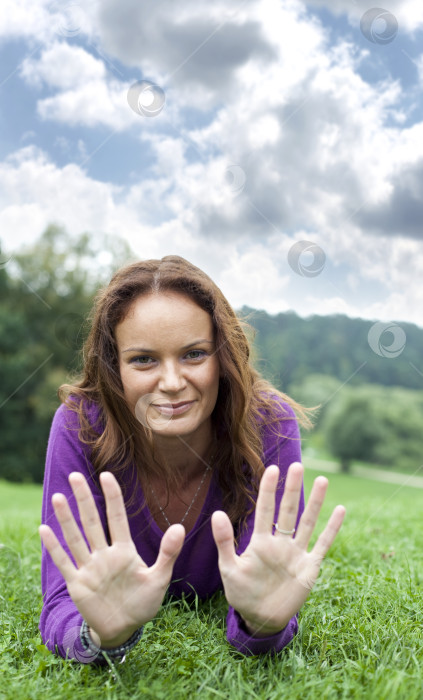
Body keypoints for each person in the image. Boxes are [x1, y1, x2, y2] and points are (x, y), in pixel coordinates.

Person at [38, 255, 345, 664]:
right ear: (115, 369)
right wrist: (99, 635)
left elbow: (266, 595)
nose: (171, 383)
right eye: (143, 359)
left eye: (194, 354)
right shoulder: (80, 423)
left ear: (223, 358)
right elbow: (61, 598)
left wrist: (262, 625)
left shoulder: (269, 424)